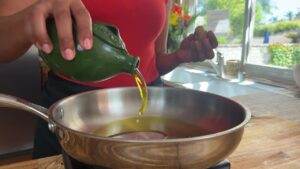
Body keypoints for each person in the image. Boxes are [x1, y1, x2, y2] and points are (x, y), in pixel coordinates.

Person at [0, 0, 218, 158]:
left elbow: (152, 60)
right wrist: (28, 21)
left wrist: (178, 57)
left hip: (150, 111)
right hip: (74, 113)